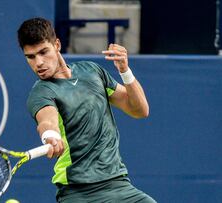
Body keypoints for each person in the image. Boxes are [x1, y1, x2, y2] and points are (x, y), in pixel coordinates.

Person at [17, 17, 156, 203]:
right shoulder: (41, 93)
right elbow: (47, 121)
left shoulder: (92, 71)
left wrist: (125, 70)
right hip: (78, 192)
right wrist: (50, 136)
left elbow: (139, 110)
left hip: (118, 184)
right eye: (31, 57)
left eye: (43, 52)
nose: (39, 63)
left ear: (57, 45)